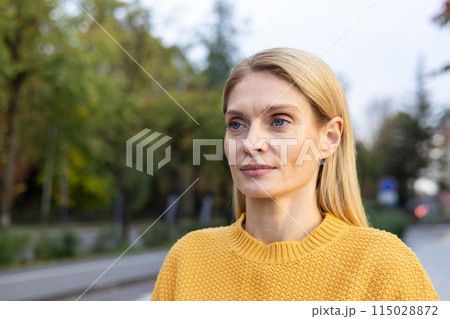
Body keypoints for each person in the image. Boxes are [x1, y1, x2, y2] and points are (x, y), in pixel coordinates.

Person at [151, 48, 440, 301]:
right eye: (236, 124)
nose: (251, 144)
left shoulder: (384, 266)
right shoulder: (188, 259)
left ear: (329, 137)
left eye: (279, 121)